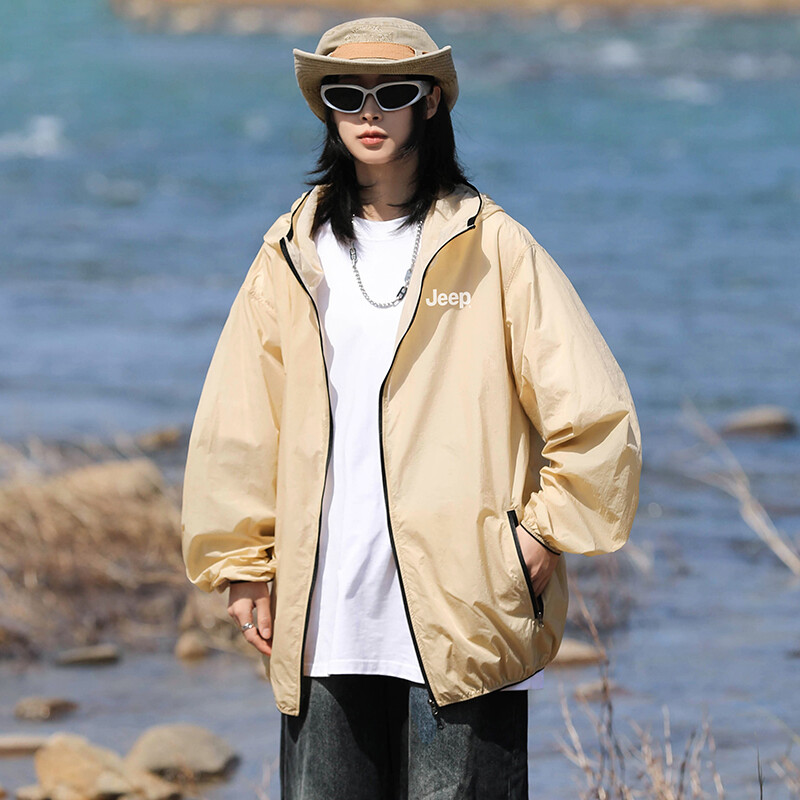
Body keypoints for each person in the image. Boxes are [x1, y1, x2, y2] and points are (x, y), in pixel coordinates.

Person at [181, 16, 642, 799]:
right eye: (346, 94)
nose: (369, 111)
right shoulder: (291, 251)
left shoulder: (493, 246)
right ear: (325, 108)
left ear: (429, 102)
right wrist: (242, 565)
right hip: (324, 614)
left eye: (392, 92)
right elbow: (240, 421)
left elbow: (596, 412)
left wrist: (542, 533)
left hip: (464, 608)